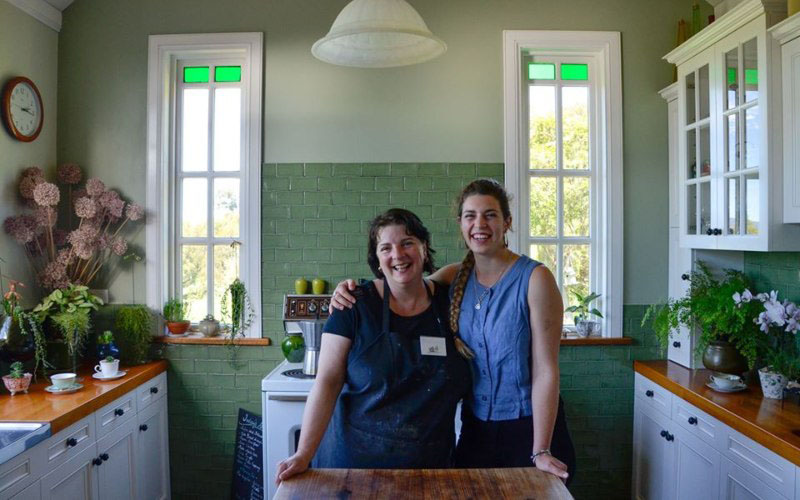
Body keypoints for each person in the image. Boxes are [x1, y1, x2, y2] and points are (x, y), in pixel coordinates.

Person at [331, 179, 575, 484]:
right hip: (475, 431)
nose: (479, 224)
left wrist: (541, 449)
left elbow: (546, 370)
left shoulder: (535, 279)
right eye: (470, 215)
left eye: (490, 215)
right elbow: (403, 287)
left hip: (528, 430)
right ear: (460, 223)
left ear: (507, 222)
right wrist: (351, 291)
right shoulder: (454, 276)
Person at [276, 208, 470, 483]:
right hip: (352, 472)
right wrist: (303, 453)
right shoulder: (353, 304)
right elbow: (328, 380)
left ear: (424, 249)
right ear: (377, 260)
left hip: (430, 472)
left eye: (407, 243)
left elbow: (483, 266)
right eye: (386, 248)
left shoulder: (449, 304)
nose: (398, 255)